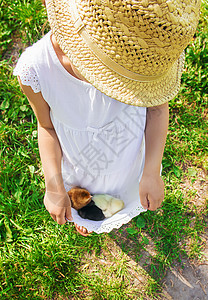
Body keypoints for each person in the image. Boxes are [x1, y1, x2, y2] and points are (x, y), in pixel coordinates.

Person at [13, 0, 200, 236]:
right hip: (79, 160)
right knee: (85, 196)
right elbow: (46, 126)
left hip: (127, 155)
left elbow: (157, 110)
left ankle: (108, 207)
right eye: (123, 80)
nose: (130, 88)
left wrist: (151, 171)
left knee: (122, 191)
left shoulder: (146, 58)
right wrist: (53, 185)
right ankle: (89, 210)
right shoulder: (38, 68)